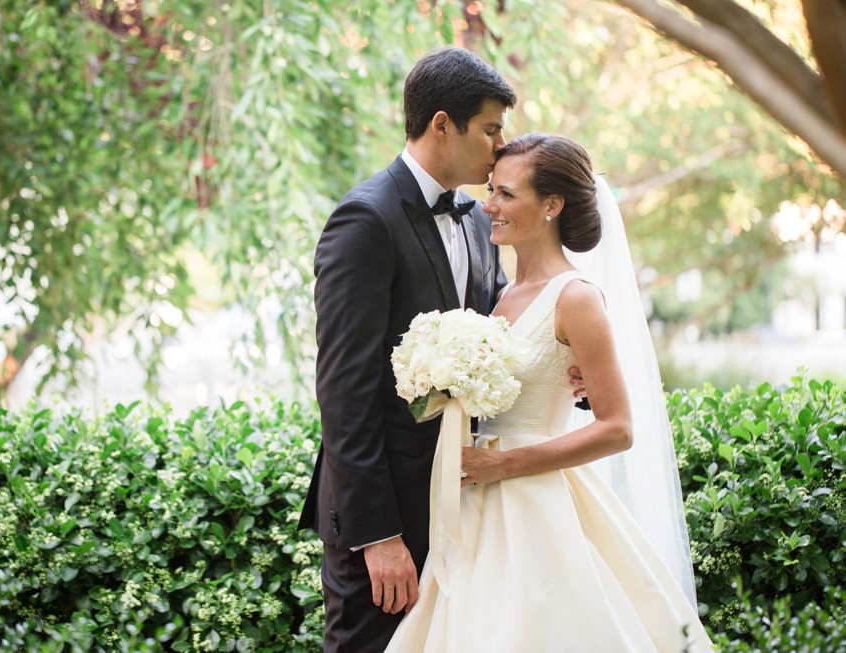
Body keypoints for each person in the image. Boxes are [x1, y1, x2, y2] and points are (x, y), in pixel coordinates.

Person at [383, 133, 715, 652]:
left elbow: (619, 428)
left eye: (507, 195)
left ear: (552, 206)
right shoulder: (501, 295)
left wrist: (507, 466)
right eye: (492, 189)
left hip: (535, 504)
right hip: (474, 506)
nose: (488, 204)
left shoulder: (577, 297)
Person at [296, 47, 518, 652]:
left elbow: (497, 327)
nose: (502, 145)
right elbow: (345, 391)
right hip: (388, 518)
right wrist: (379, 537)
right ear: (443, 124)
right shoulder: (365, 220)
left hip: (463, 506)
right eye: (492, 129)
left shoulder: (477, 219)